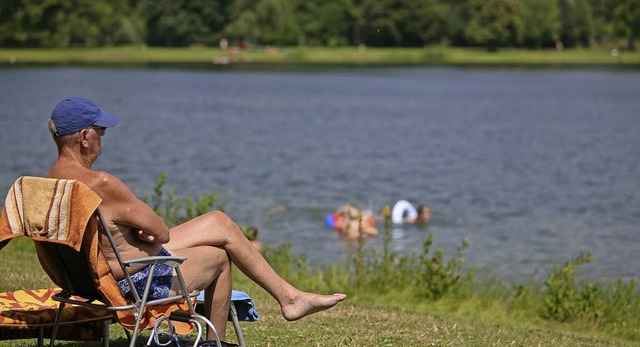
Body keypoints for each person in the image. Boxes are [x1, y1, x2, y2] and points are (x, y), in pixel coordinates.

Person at [45, 97, 346, 345]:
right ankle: (218, 341)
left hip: (81, 279)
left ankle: (289, 297)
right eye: (100, 129)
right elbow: (160, 232)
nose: (104, 135)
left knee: (219, 221)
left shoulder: (47, 183)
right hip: (129, 281)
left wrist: (132, 231)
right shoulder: (101, 183)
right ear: (84, 137)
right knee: (218, 257)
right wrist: (143, 231)